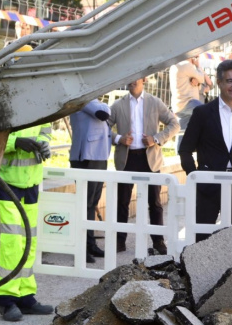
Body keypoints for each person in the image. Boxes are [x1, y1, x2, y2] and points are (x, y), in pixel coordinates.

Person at [179, 59, 232, 243]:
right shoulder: (202, 113)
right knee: (200, 242)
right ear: (219, 82)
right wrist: (196, 178)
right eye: (230, 81)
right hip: (208, 186)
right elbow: (185, 150)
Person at [109, 77, 180, 255]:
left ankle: (158, 241)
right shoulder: (118, 105)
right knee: (122, 202)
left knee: (154, 202)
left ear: (144, 79)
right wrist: (119, 139)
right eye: (129, 77)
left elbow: (174, 124)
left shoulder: (155, 102)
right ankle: (119, 241)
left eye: (136, 77)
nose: (131, 81)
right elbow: (103, 127)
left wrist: (156, 138)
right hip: (126, 159)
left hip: (150, 159)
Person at [0, 123, 55, 322]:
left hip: (31, 182)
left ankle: (25, 296)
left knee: (29, 242)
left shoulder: (43, 107)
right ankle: (6, 299)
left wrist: (43, 144)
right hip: (7, 182)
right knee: (12, 243)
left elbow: (45, 130)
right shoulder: (9, 104)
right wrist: (15, 142)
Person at [69, 98, 112, 263]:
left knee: (92, 204)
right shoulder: (84, 98)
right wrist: (107, 105)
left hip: (98, 155)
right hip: (86, 156)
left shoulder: (95, 101)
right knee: (84, 205)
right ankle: (81, 247)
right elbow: (103, 114)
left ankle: (90, 244)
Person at [169, 55, 211, 151]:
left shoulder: (175, 66)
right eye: (196, 56)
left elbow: (194, 85)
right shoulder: (186, 65)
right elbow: (202, 78)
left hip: (178, 105)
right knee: (208, 112)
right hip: (188, 102)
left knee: (182, 133)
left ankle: (180, 154)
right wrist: (198, 66)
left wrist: (197, 83)